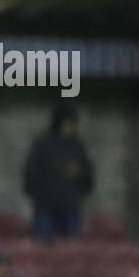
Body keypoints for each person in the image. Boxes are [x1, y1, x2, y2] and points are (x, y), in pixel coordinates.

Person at [22, 103, 94, 242]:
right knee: (42, 247)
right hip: (46, 206)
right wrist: (42, 192)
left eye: (71, 122)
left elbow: (87, 175)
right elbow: (31, 174)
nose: (69, 126)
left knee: (71, 250)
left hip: (70, 206)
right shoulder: (42, 143)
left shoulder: (77, 145)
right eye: (66, 122)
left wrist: (79, 174)